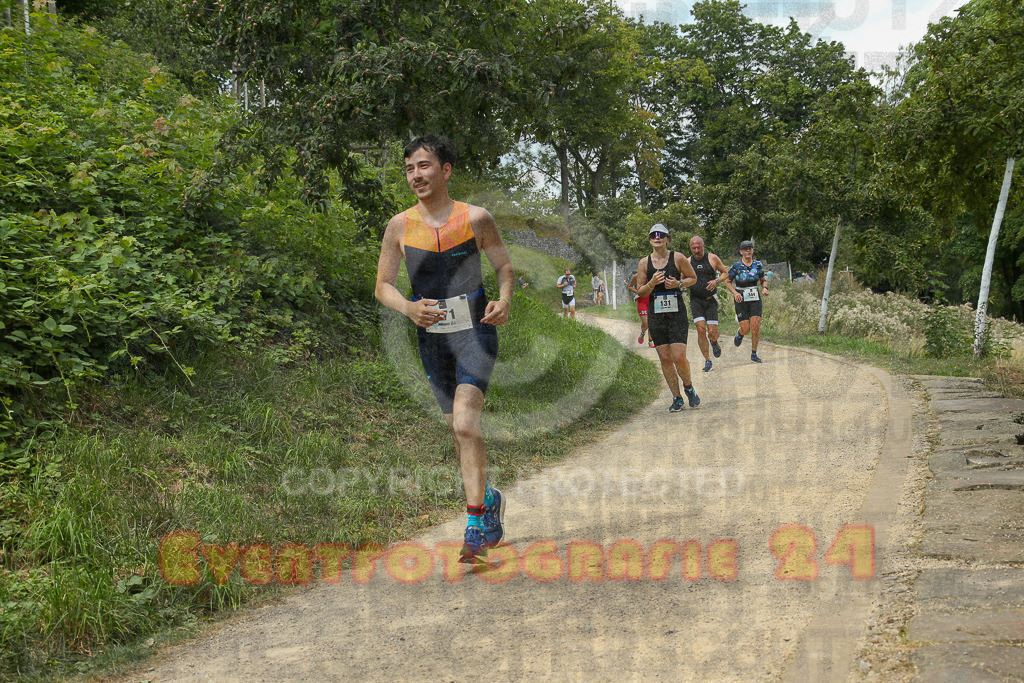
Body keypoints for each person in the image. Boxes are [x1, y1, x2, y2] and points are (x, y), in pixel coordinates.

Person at [375, 135, 513, 564]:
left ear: (445, 170)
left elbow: (504, 267)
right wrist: (408, 308)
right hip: (432, 340)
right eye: (409, 168)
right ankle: (487, 498)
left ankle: (473, 526)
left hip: (475, 331)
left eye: (424, 166)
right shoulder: (399, 226)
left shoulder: (476, 218)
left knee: (467, 425)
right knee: (458, 430)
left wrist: (504, 300)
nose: (416, 175)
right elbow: (382, 286)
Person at [635, 224, 701, 412]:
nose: (657, 238)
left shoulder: (678, 258)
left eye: (661, 235)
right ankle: (677, 397)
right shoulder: (644, 263)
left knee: (678, 356)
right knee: (665, 358)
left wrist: (678, 284)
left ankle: (688, 387)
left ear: (667, 239)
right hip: (656, 314)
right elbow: (640, 292)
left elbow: (693, 278)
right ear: (650, 240)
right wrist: (652, 283)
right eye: (653, 235)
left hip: (676, 313)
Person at [687, 235, 729, 372]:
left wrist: (716, 281)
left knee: (712, 331)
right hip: (696, 300)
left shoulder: (712, 258)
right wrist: (682, 284)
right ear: (690, 248)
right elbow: (681, 279)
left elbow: (725, 273)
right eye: (694, 248)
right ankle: (707, 360)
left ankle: (714, 341)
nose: (696, 250)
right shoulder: (687, 262)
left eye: (699, 247)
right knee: (701, 329)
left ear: (703, 246)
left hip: (710, 300)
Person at [725, 239, 769, 363]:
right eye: (745, 249)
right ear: (741, 252)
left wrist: (765, 287)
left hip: (755, 297)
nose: (748, 251)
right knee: (746, 329)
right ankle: (740, 333)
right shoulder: (736, 266)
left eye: (750, 249)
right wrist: (735, 293)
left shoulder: (758, 264)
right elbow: (728, 282)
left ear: (753, 250)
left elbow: (762, 279)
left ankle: (754, 353)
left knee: (755, 326)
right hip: (741, 297)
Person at [627, 269, 652, 347]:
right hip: (642, 302)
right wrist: (637, 292)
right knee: (646, 323)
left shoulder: (653, 275)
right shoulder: (637, 276)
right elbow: (630, 287)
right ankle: (642, 333)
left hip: (652, 301)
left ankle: (650, 340)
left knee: (652, 322)